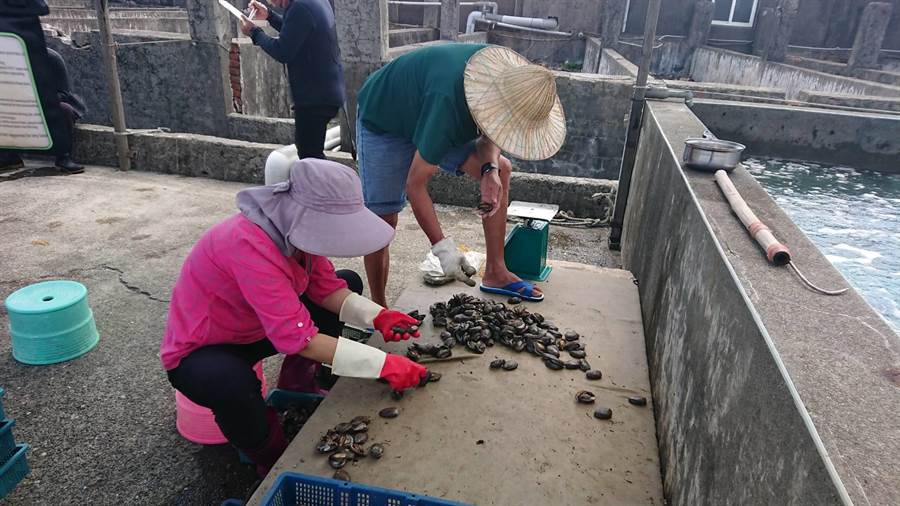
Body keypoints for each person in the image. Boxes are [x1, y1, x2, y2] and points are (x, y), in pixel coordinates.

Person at [161, 158, 427, 476]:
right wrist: (382, 365)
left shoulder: (295, 233)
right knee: (230, 383)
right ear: (306, 213)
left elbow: (328, 290)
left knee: (348, 280)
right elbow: (301, 339)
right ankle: (268, 453)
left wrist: (379, 316)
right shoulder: (248, 245)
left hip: (258, 327)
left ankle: (297, 379)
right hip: (207, 348)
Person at [356, 44, 566, 306]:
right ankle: (378, 307)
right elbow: (415, 184)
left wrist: (490, 169)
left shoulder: (506, 82)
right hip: (384, 118)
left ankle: (496, 272)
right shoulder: (448, 103)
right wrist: (443, 248)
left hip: (429, 107)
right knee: (383, 220)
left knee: (502, 169)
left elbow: (495, 131)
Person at [239, 0, 345, 160]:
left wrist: (255, 33)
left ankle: (324, 185)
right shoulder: (312, 3)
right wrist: (269, 15)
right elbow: (296, 32)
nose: (271, 2)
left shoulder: (299, 7)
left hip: (314, 97)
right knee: (312, 154)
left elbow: (283, 51)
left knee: (310, 157)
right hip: (326, 91)